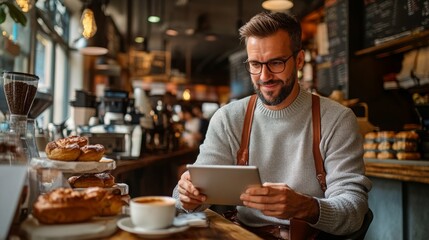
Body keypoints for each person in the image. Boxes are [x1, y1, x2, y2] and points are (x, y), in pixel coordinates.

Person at [173, 12, 372, 239]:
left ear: (298, 60)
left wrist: (307, 207)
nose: (264, 76)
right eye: (255, 64)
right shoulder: (228, 118)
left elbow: (354, 210)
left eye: (276, 63)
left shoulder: (336, 119)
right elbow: (183, 200)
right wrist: (187, 196)